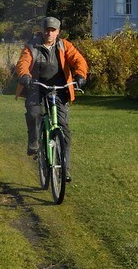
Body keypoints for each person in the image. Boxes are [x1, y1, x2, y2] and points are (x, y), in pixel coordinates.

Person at [15, 16, 89, 179]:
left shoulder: (64, 45)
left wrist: (80, 75)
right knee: (34, 112)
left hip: (59, 89)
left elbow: (79, 60)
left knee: (64, 129)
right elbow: (23, 63)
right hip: (37, 87)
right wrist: (25, 75)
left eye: (53, 30)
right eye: (47, 30)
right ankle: (34, 141)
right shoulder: (32, 46)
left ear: (58, 32)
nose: (49, 33)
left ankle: (65, 168)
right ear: (42, 31)